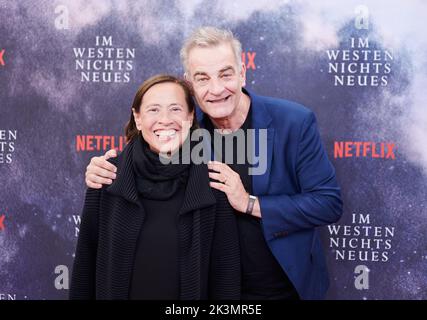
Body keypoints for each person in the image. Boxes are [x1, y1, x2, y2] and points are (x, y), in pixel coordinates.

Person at [85, 27, 343, 300]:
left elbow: (328, 203)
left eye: (225, 74)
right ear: (190, 84)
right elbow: (145, 164)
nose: (217, 89)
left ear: (242, 73)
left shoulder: (294, 122)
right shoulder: (186, 135)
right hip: (212, 291)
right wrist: (105, 170)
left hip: (282, 289)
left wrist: (249, 203)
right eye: (203, 78)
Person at [70, 74, 241, 300]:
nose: (165, 119)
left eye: (175, 109)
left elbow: (226, 281)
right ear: (138, 119)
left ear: (190, 118)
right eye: (153, 110)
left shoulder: (214, 184)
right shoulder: (107, 176)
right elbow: (85, 268)